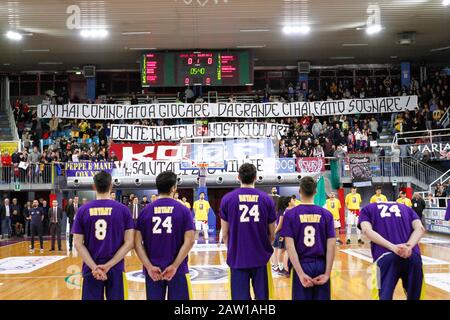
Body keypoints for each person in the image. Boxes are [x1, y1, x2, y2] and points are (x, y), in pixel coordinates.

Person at [72, 171, 134, 300]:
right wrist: (109, 265)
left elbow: (77, 243)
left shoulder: (82, 210)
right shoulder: (123, 210)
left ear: (94, 186)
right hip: (116, 268)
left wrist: (95, 267)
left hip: (91, 269)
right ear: (111, 186)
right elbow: (129, 243)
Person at [134, 171, 195, 300]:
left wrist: (149, 267)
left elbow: (136, 243)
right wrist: (174, 266)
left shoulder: (145, 211)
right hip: (177, 270)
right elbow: (189, 241)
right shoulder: (184, 210)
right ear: (174, 187)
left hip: (153, 271)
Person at [220, 163, 276, 300]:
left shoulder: (227, 199)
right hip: (261, 258)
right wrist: (262, 246)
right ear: (256, 177)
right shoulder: (267, 199)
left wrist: (233, 248)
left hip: (237, 258)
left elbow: (225, 234)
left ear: (238, 177)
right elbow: (272, 234)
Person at [280, 176, 336, 300]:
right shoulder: (327, 215)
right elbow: (331, 245)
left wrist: (300, 274)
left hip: (301, 263)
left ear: (299, 191)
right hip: (321, 265)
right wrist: (327, 274)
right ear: (315, 192)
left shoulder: (290, 214)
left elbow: (289, 246)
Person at [358, 202, 426, 300]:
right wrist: (408, 246)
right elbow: (420, 228)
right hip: (412, 256)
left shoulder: (367, 208)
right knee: (417, 297)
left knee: (381, 296)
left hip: (384, 257)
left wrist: (393, 247)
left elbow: (366, 230)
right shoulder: (406, 208)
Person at [272, 196, 294, 276]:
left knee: (277, 250)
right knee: (281, 251)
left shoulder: (279, 210)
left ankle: (276, 266)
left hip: (279, 233)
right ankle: (280, 268)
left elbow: (276, 223)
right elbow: (280, 224)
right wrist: (274, 232)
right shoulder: (283, 211)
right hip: (281, 233)